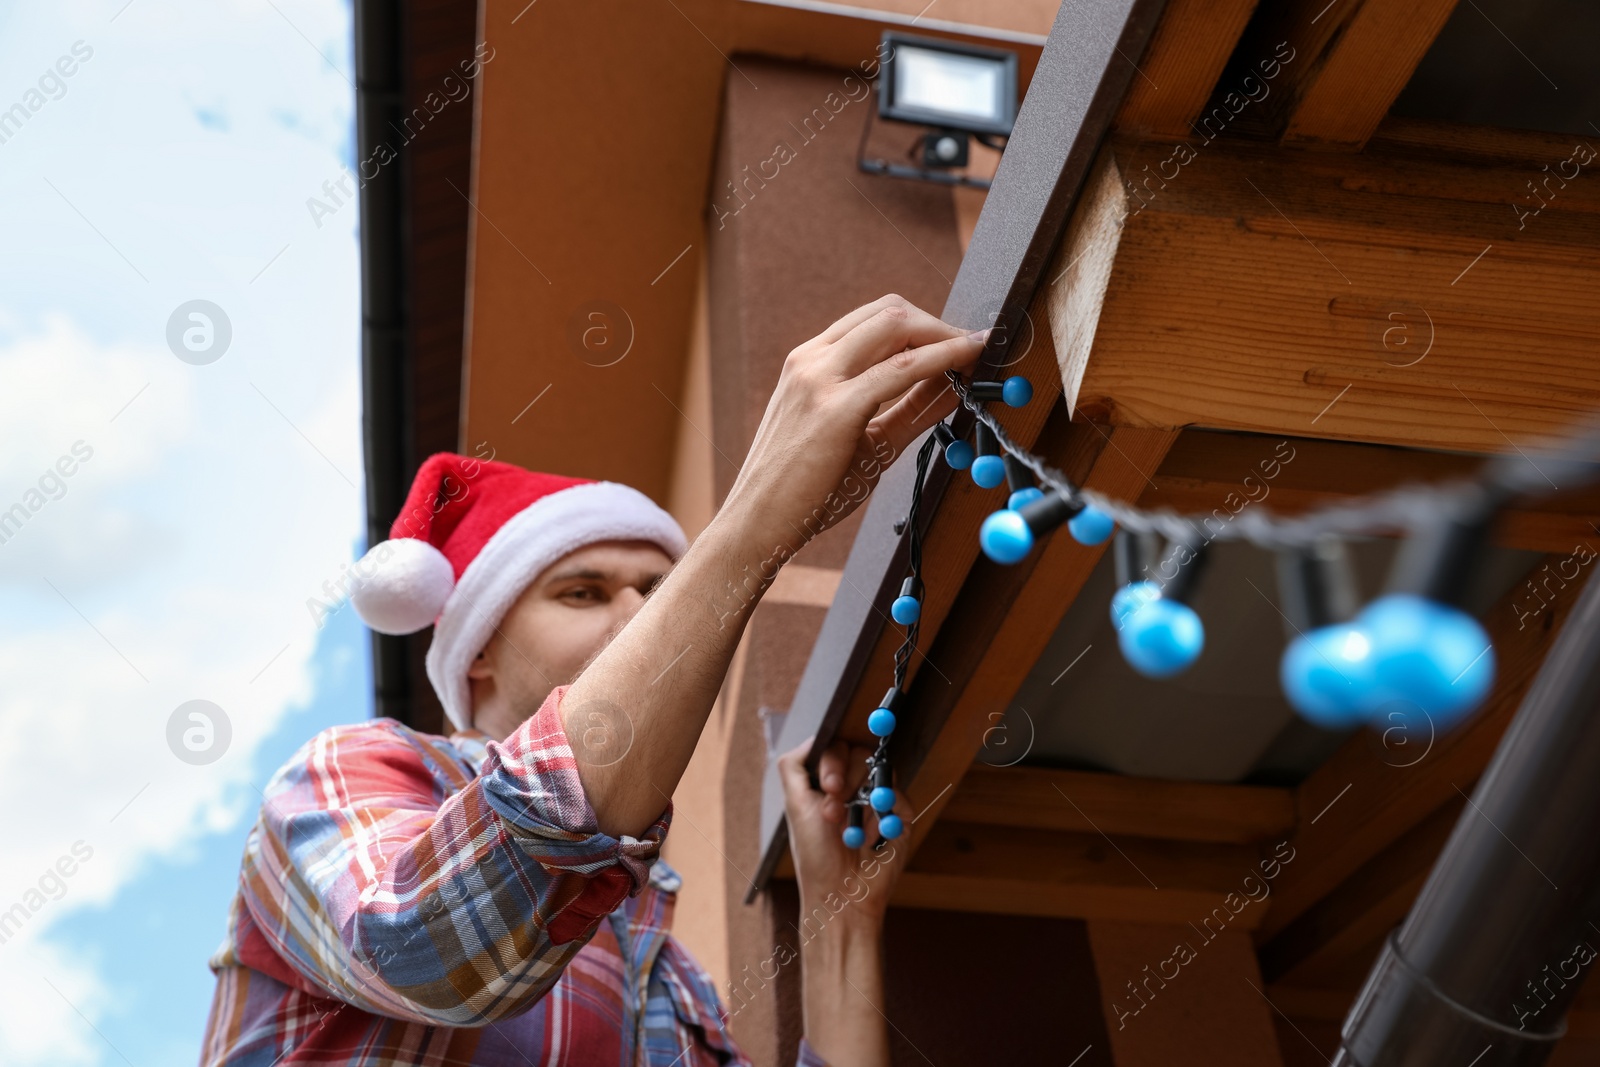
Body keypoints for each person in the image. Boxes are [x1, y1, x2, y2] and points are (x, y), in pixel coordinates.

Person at [198, 296, 986, 1065]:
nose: (640, 612)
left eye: (658, 588)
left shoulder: (673, 983)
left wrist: (839, 921)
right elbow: (430, 950)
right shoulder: (345, 772)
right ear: (478, 651)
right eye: (583, 590)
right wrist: (759, 516)